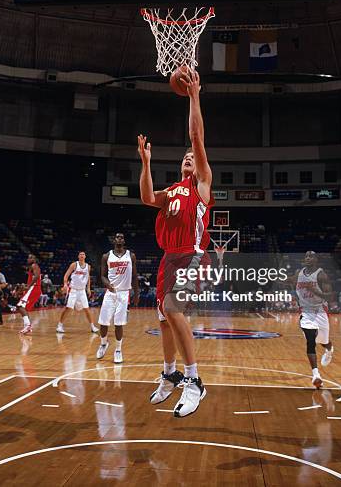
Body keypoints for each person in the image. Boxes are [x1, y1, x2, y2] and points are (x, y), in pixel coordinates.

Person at [138, 66, 213, 418]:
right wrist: (146, 162)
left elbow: (196, 139)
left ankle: (195, 380)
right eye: (183, 157)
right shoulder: (172, 191)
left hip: (193, 255)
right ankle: (170, 373)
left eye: (190, 157)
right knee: (164, 317)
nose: (188, 158)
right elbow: (146, 197)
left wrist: (194, 96)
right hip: (170, 258)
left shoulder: (201, 185)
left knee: (172, 307)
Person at [294, 251, 336, 388]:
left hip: (320, 311)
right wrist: (270, 277)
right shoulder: (300, 273)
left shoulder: (321, 275)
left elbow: (329, 296)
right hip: (306, 312)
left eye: (311, 256)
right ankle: (316, 375)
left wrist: (313, 290)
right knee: (310, 340)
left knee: (323, 341)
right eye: (306, 256)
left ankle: (329, 349)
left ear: (316, 259)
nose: (307, 258)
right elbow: (289, 280)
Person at [96, 233, 139, 363]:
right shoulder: (106, 256)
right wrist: (107, 284)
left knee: (119, 323)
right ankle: (104, 343)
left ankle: (118, 350)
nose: (119, 239)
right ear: (114, 240)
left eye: (122, 237)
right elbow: (102, 275)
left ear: (124, 240)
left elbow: (135, 276)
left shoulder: (130, 256)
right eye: (117, 237)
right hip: (111, 292)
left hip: (124, 293)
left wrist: (136, 294)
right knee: (103, 322)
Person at [56, 251, 99, 334]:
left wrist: (88, 288)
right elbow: (66, 275)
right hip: (73, 290)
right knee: (68, 308)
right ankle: (59, 325)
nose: (82, 255)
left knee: (87, 309)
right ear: (78, 256)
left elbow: (88, 278)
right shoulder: (74, 265)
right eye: (80, 254)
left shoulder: (88, 267)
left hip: (82, 290)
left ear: (85, 256)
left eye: (83, 254)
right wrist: (65, 284)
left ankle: (92, 326)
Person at [17, 254, 41, 335]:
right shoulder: (31, 267)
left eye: (31, 257)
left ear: (35, 259)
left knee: (20, 306)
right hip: (34, 288)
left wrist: (28, 286)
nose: (28, 259)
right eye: (28, 257)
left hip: (34, 288)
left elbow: (37, 276)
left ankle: (27, 325)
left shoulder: (34, 265)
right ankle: (27, 327)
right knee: (24, 308)